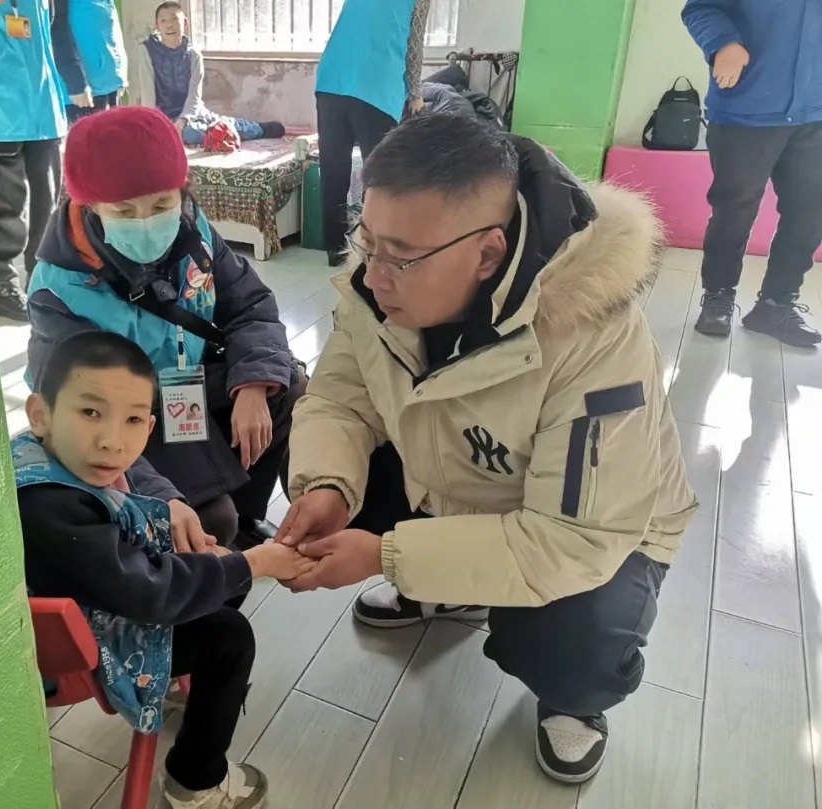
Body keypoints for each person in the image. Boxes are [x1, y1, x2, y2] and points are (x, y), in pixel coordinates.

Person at [277, 114, 698, 784]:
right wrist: (328, 484)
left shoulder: (593, 336)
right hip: (457, 480)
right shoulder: (379, 281)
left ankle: (575, 697)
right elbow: (339, 399)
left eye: (400, 256)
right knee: (314, 468)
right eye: (367, 239)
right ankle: (446, 587)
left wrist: (386, 554)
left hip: (601, 533)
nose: (374, 275)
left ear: (489, 254)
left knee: (573, 638)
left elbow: (574, 540)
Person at [15, 331, 313, 809]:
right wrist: (253, 562)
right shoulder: (50, 508)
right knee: (230, 638)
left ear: (150, 425)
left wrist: (209, 553)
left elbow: (127, 525)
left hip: (100, 602)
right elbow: (150, 594)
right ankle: (193, 781)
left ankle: (177, 681)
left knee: (219, 579)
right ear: (40, 413)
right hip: (84, 650)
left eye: (133, 419)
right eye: (90, 412)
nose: (112, 441)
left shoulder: (48, 456)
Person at [26, 105, 305, 550]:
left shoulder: (196, 233)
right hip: (125, 418)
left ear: (182, 191)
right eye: (124, 210)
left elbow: (250, 304)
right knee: (207, 523)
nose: (146, 223)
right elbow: (76, 417)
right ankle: (213, 546)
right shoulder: (59, 290)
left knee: (284, 386)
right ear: (90, 206)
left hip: (185, 387)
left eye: (161, 204)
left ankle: (247, 516)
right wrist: (162, 498)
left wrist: (254, 385)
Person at [684, 0, 822, 347]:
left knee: (810, 212)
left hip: (815, 114)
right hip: (746, 108)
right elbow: (700, 8)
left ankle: (775, 306)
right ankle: (718, 296)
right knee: (734, 209)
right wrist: (723, 43)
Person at [0, 0, 91, 322]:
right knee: (1, 208)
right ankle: (5, 289)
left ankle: (42, 280)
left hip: (43, 111)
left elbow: (56, 31)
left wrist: (75, 81)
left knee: (46, 208)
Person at [315, 0, 431, 267]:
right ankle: (375, 248)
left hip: (332, 79)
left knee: (333, 170)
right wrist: (415, 93)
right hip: (376, 84)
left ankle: (334, 248)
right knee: (379, 176)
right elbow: (414, 44)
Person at [130, 2, 285, 147]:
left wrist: (182, 121)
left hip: (191, 115)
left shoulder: (193, 55)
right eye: (163, 20)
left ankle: (258, 129)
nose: (169, 24)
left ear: (185, 22)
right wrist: (153, 124)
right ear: (156, 25)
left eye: (174, 19)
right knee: (181, 135)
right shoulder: (146, 50)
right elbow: (148, 93)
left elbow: (194, 97)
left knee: (208, 130)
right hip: (162, 116)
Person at [65, 0, 128, 124]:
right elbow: (57, 32)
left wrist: (121, 73)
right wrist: (75, 83)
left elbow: (111, 25)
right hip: (82, 91)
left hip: (111, 82)